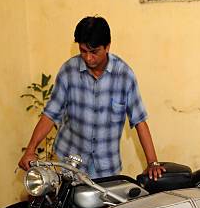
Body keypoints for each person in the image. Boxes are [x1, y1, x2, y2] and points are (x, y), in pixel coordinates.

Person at [18, 16, 165, 180]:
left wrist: (152, 163)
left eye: (94, 52)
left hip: (106, 167)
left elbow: (139, 121)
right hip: (69, 162)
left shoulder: (124, 75)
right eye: (83, 51)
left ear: (107, 46)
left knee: (105, 206)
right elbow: (51, 114)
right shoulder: (68, 71)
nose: (88, 58)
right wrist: (30, 149)